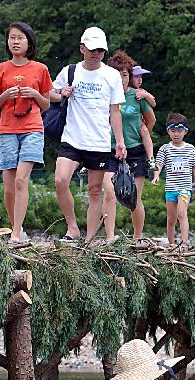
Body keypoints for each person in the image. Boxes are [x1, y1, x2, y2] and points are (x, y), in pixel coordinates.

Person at [51, 27, 126, 241]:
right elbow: (50, 93)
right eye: (92, 49)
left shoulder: (111, 75)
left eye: (101, 50)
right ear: (82, 48)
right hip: (72, 137)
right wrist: (61, 93)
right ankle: (72, 227)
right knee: (60, 180)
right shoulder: (70, 71)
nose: (96, 54)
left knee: (95, 190)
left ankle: (89, 241)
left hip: (99, 142)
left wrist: (119, 141)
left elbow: (115, 111)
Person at [0, 22, 52, 244]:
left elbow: (46, 105)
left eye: (20, 38)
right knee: (9, 185)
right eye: (12, 38)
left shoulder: (40, 69)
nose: (15, 41)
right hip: (7, 130)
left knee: (22, 180)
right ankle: (17, 227)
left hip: (32, 128)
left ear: (29, 42)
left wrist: (34, 93)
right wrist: (6, 95)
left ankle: (15, 234)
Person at [102, 50, 156, 241]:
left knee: (134, 197)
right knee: (109, 192)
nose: (121, 78)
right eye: (116, 74)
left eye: (124, 75)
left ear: (129, 77)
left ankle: (138, 237)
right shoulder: (104, 96)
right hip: (110, 150)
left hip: (135, 151)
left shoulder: (138, 96)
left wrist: (139, 133)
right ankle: (110, 237)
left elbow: (150, 121)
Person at [151, 113, 195, 248]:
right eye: (173, 131)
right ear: (168, 131)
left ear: (185, 131)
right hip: (170, 188)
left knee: (181, 214)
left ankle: (184, 243)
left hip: (184, 188)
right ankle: (172, 243)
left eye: (179, 131)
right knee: (171, 218)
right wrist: (156, 176)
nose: (176, 134)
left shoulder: (190, 149)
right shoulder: (164, 149)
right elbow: (159, 164)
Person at [131, 65, 157, 170]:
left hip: (139, 122)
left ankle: (151, 159)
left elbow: (154, 103)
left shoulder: (142, 91)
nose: (139, 79)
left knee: (145, 132)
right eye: (136, 76)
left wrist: (146, 96)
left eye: (140, 77)